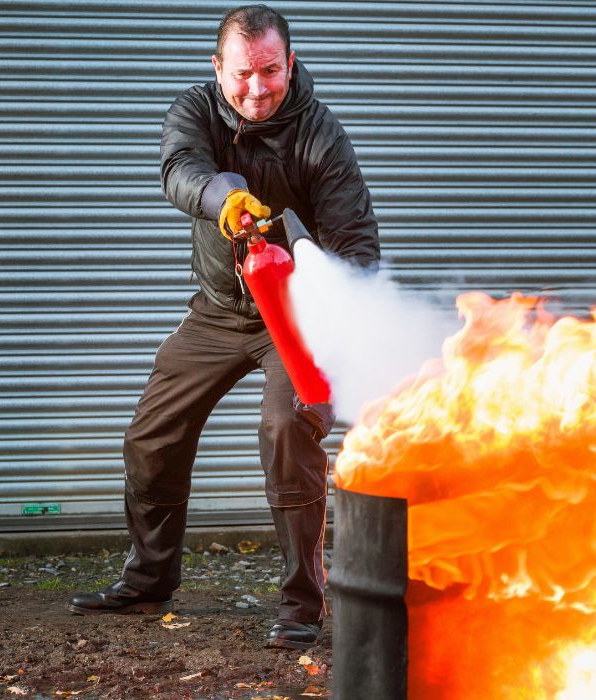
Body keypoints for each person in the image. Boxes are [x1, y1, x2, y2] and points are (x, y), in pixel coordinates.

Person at [67, 4, 380, 650]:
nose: (257, 88)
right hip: (218, 310)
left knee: (287, 428)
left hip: (292, 319)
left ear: (289, 64)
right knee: (152, 435)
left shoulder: (323, 138)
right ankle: (151, 577)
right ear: (218, 68)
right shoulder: (196, 111)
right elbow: (179, 169)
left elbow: (357, 249)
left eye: (270, 71)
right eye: (242, 74)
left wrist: (317, 285)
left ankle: (302, 605)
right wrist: (224, 198)